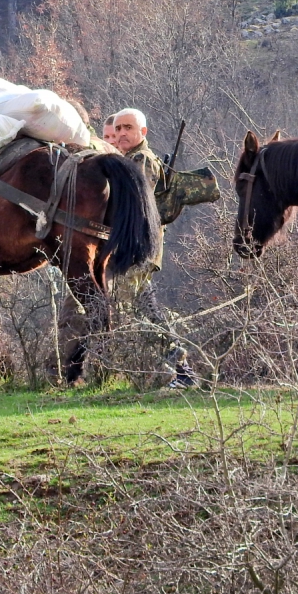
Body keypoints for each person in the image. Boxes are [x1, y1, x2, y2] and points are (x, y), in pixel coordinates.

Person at [112, 108, 196, 388]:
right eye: (118, 128)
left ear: (142, 132)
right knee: (145, 310)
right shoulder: (128, 159)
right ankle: (180, 371)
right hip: (132, 249)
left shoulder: (141, 160)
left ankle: (177, 370)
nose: (122, 133)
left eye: (128, 128)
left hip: (136, 249)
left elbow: (133, 205)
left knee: (132, 309)